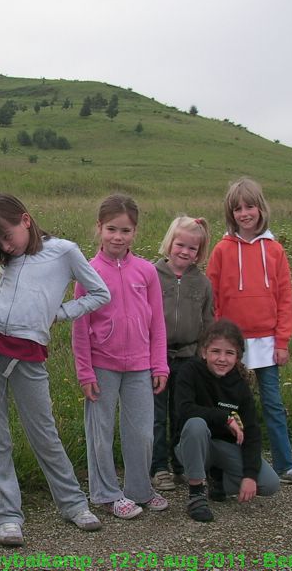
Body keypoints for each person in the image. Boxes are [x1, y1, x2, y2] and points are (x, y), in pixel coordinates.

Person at [0, 193, 111, 546]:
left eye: (8, 235)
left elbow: (99, 293)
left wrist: (59, 313)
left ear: (26, 220)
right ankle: (8, 516)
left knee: (43, 432)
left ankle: (73, 504)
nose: (6, 246)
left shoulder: (64, 251)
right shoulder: (8, 256)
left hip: (30, 352)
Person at [206, 178, 292, 488]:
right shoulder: (221, 250)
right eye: (237, 208)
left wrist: (282, 341)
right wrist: (216, 343)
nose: (244, 213)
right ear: (231, 213)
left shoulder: (275, 249)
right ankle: (229, 466)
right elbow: (212, 298)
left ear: (260, 208)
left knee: (272, 404)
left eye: (250, 206)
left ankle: (286, 464)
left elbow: (285, 298)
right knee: (229, 406)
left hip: (267, 341)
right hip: (232, 345)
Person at [72, 194, 170, 519]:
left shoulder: (147, 271)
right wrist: (85, 373)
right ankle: (106, 493)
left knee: (142, 432)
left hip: (141, 365)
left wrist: (160, 364)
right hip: (102, 365)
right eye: (112, 229)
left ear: (135, 232)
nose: (118, 237)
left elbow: (157, 323)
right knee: (100, 431)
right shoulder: (87, 272)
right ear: (99, 228)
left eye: (125, 231)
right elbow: (80, 328)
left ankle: (140, 490)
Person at [175, 319, 281, 522]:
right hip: (193, 446)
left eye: (229, 353)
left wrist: (250, 476)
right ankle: (196, 493)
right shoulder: (190, 371)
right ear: (204, 352)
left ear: (238, 357)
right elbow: (184, 410)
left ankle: (219, 481)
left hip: (224, 448)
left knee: (269, 483)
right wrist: (225, 418)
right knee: (196, 423)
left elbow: (252, 432)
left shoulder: (240, 385)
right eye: (215, 351)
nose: (222, 359)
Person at [150, 215, 214, 492]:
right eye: (181, 245)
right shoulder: (152, 274)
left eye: (192, 248)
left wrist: (205, 353)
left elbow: (208, 319)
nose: (185, 252)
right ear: (170, 243)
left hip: (188, 357)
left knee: (182, 413)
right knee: (156, 414)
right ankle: (158, 467)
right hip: (157, 356)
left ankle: (180, 464)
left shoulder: (202, 283)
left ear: (199, 252)